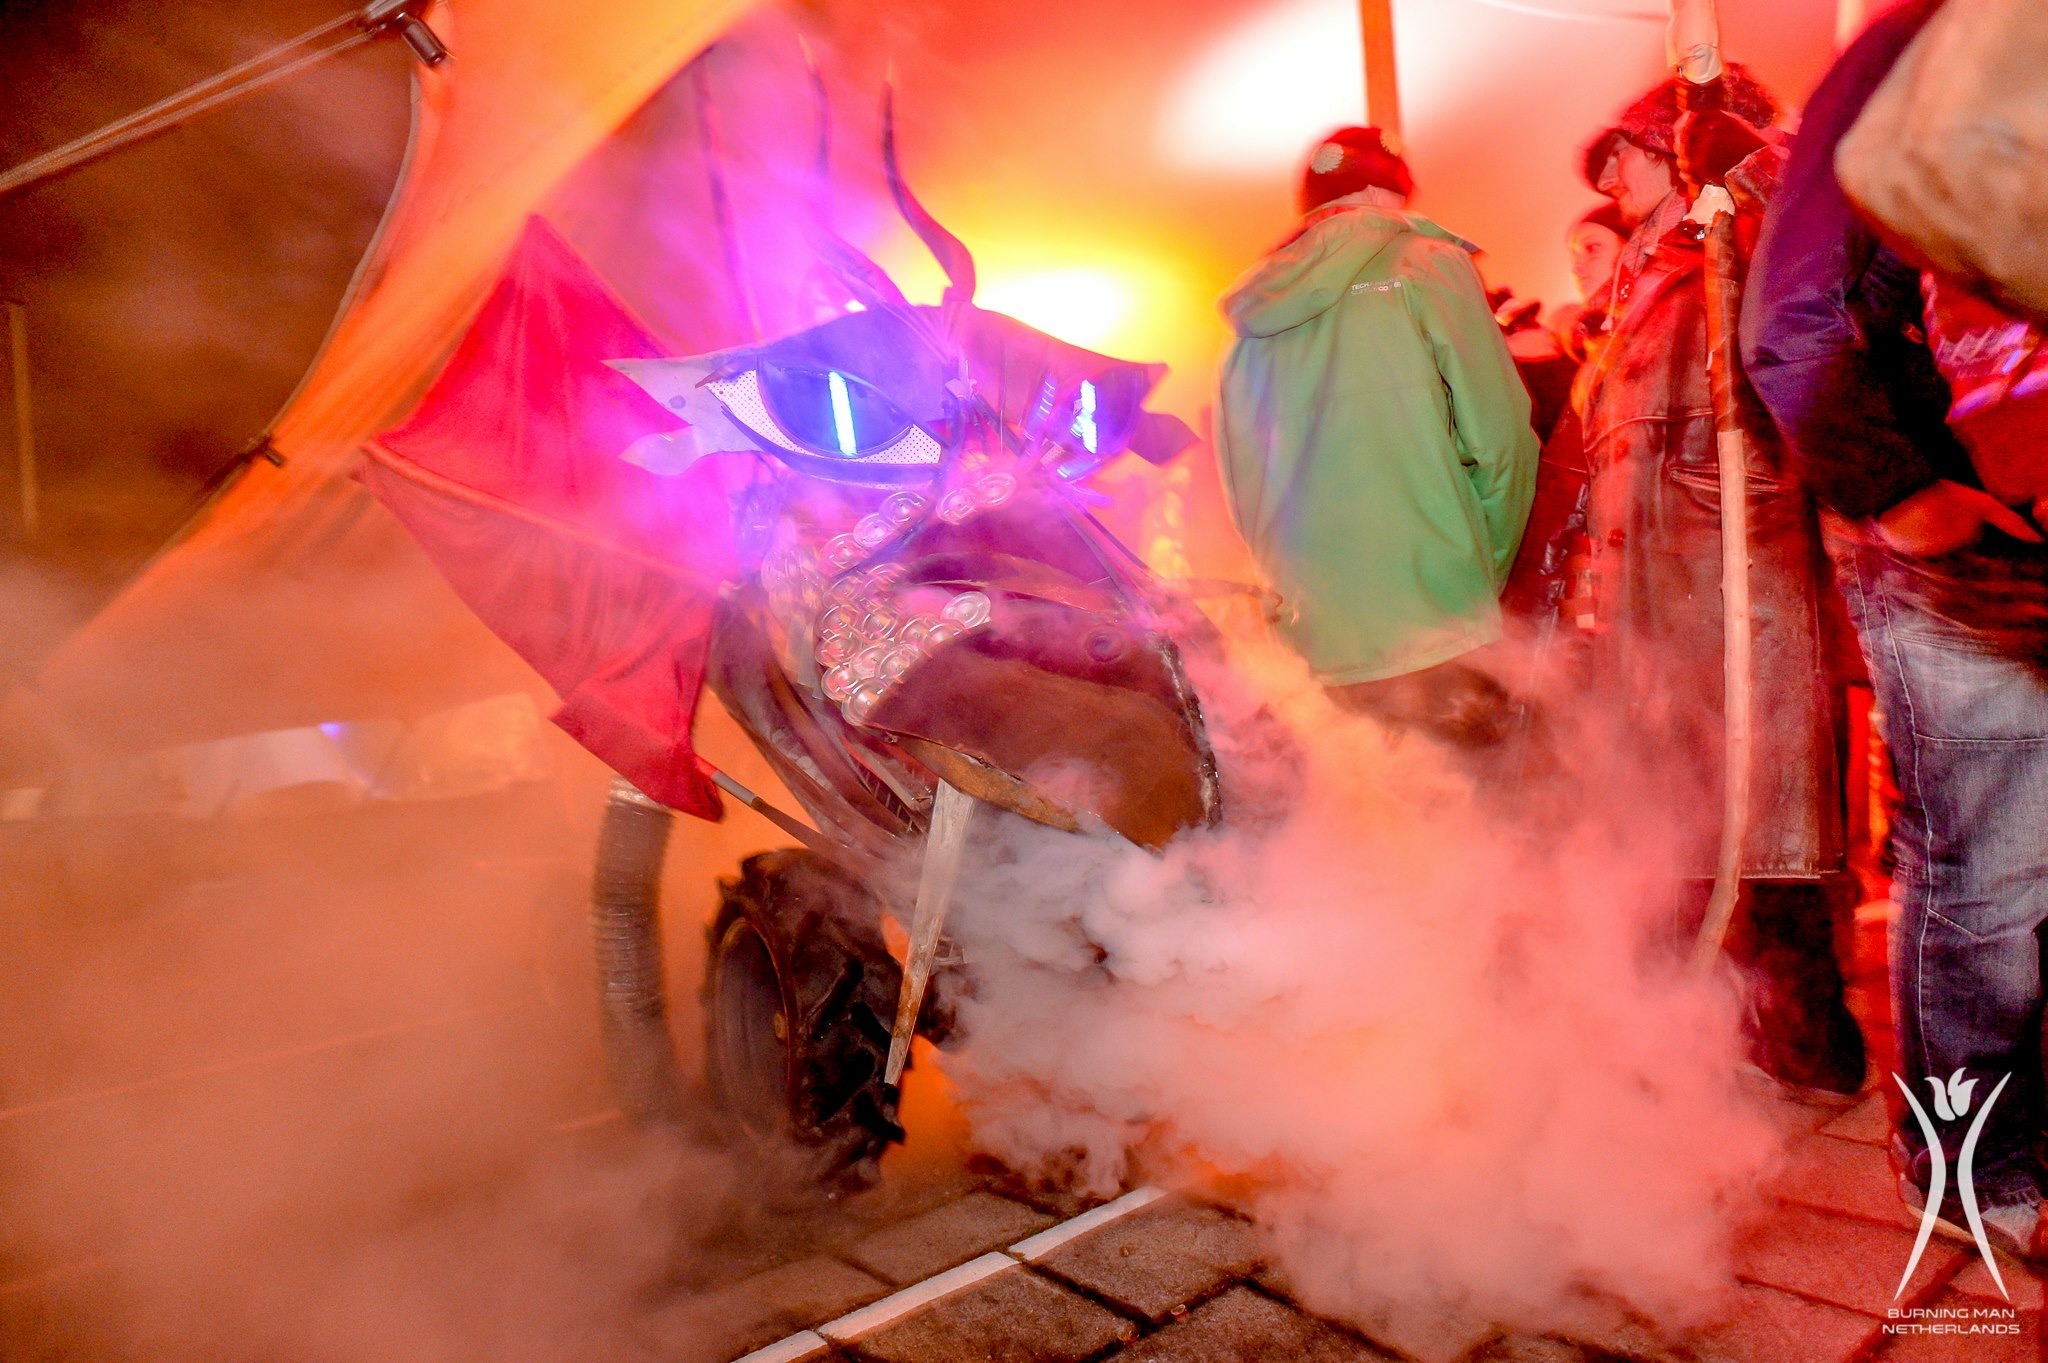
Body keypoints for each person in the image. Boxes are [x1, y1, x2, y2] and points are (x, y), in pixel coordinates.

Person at [1743, 0, 2048, 1258]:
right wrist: (1896, 488)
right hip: (1961, 525)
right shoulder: (1915, 42)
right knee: (1990, 869)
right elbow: (1791, 311)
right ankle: (1970, 1161)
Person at [1575, 72, 1867, 1097]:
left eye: (1623, 152)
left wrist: (1740, 157)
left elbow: (1825, 232)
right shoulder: (1646, 275)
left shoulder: (1737, 223)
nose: (1609, 178)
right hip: (1657, 587)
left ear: (1674, 145)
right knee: (1674, 814)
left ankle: (1800, 1029)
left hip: (1741, 569)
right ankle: (1686, 1031)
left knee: (1766, 799)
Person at [1215, 126, 1537, 747]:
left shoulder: (1256, 306)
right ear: (1377, 191)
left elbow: (1243, 483)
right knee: (1473, 794)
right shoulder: (1428, 264)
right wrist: (1482, 568)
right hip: (1438, 611)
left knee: (1375, 798)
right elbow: (1500, 440)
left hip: (1318, 630)